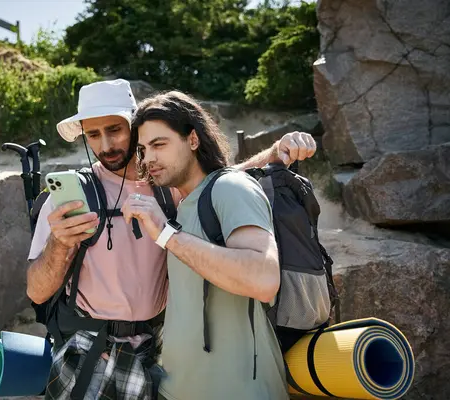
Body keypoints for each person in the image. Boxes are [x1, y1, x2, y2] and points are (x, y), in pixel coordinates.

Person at [27, 79, 316, 400]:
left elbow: (224, 180)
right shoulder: (66, 199)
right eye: (93, 135)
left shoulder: (170, 183)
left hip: (159, 355)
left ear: (135, 127)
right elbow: (37, 291)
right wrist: (59, 243)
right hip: (89, 357)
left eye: (115, 130)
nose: (105, 144)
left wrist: (274, 155)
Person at [122, 90, 303, 400]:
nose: (148, 158)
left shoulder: (230, 188)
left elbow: (263, 279)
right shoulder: (184, 204)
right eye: (142, 149)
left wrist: (166, 235)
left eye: (159, 145)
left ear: (193, 140)